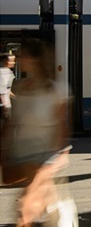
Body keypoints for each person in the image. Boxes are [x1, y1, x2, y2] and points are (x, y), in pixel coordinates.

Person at [0, 39, 77, 225]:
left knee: (27, 209)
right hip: (22, 155)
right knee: (38, 207)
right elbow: (13, 123)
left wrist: (60, 154)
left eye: (23, 55)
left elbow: (61, 125)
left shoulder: (58, 90)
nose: (18, 58)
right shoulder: (19, 88)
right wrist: (4, 149)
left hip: (45, 157)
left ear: (35, 59)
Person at [0, 53, 16, 128]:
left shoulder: (8, 72)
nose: (13, 62)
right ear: (4, 61)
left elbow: (7, 90)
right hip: (4, 105)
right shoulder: (4, 72)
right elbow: (2, 91)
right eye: (11, 60)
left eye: (14, 60)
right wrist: (5, 106)